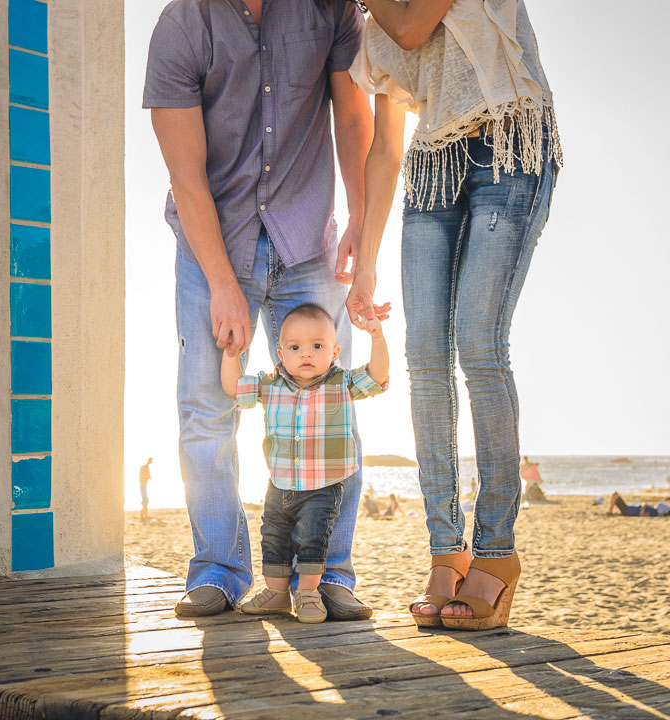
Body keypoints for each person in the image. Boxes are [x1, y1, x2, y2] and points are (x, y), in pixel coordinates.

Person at [143, 0, 381, 618]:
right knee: (206, 409)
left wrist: (360, 215)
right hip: (213, 242)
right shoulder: (181, 26)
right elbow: (185, 174)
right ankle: (219, 571)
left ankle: (329, 575)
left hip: (309, 240)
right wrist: (223, 281)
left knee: (334, 408)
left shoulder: (329, 9)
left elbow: (353, 117)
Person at [346, 0, 561, 630]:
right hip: (433, 166)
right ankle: (447, 549)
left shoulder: (391, 15)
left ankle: (496, 550)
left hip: (511, 151)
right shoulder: (374, 28)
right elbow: (385, 149)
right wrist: (365, 264)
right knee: (424, 360)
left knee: (479, 344)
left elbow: (414, 24)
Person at [221, 304, 389, 623]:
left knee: (312, 537)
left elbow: (377, 376)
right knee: (273, 537)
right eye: (295, 347)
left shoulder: (341, 383)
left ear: (334, 351)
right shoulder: (270, 385)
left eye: (317, 346)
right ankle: (276, 593)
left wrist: (377, 337)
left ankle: (309, 592)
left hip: (322, 486)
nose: (306, 354)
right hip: (279, 482)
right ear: (281, 354)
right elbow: (233, 388)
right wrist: (232, 355)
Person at [139, 457, 153, 521]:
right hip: (143, 485)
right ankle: (142, 516)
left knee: (145, 501)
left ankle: (145, 516)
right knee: (145, 500)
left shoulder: (146, 467)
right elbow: (143, 475)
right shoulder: (144, 467)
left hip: (144, 484)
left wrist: (149, 477)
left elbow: (147, 475)